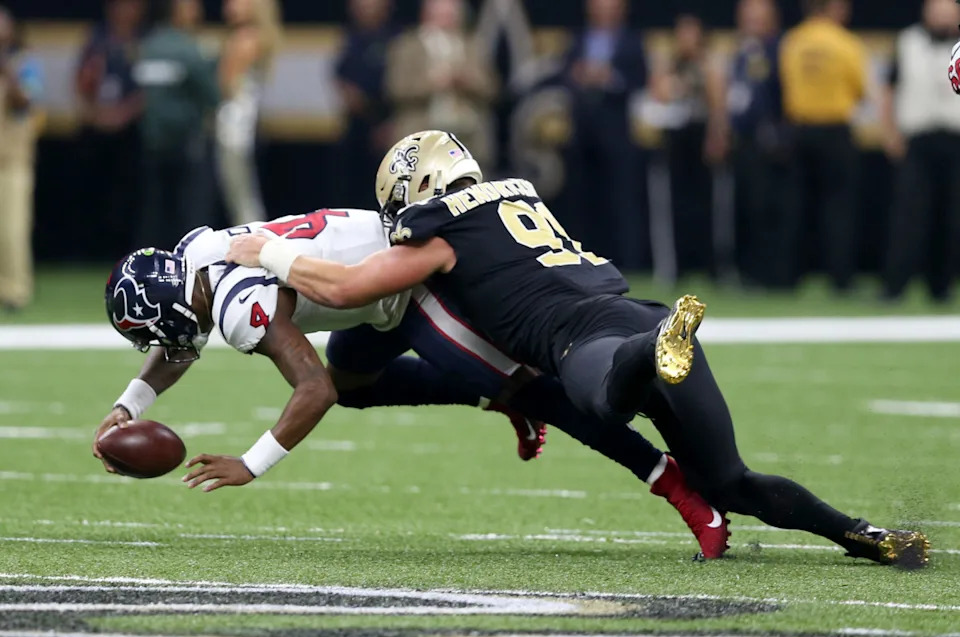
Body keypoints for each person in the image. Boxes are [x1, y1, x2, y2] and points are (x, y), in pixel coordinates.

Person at [227, 130, 929, 567]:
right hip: (632, 312)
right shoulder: (513, 194)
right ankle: (865, 535)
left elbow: (351, 288)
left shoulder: (441, 232)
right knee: (730, 483)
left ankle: (657, 348)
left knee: (599, 401)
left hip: (590, 339)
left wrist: (272, 254)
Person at [94, 208, 729, 561]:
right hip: (367, 299)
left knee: (539, 393)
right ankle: (496, 395)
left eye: (154, 332)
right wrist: (128, 405)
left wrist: (250, 465)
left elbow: (310, 391)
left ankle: (675, 485)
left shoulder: (234, 301)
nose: (161, 347)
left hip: (409, 288)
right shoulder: (196, 253)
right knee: (359, 383)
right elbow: (177, 349)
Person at [778, 0, 867, 291]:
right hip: (834, 131)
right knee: (838, 208)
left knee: (796, 206)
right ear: (834, 8)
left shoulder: (792, 41)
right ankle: (840, 278)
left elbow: (785, 83)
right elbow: (860, 88)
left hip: (800, 130)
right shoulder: (846, 43)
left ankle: (790, 276)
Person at [560, 0, 646, 268]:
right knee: (582, 198)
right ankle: (582, 258)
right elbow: (561, 76)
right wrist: (579, 75)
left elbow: (640, 80)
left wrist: (609, 77)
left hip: (617, 130)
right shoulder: (576, 39)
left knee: (620, 200)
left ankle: (626, 261)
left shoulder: (632, 41)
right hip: (581, 130)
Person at [884, 0, 960, 303]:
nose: (942, 18)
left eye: (948, 13)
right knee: (908, 217)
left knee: (953, 217)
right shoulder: (907, 42)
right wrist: (890, 132)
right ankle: (894, 286)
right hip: (917, 141)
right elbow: (888, 88)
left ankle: (941, 287)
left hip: (956, 140)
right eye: (937, 12)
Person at [134, 0, 219, 250]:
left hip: (151, 143)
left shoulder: (147, 46)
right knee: (191, 215)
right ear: (177, 11)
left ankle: (145, 268)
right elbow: (212, 96)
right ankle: (191, 267)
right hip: (186, 144)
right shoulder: (189, 49)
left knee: (153, 214)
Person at [650, 14, 727, 277]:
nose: (686, 39)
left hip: (700, 135)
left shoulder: (708, 63)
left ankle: (711, 265)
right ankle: (677, 266)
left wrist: (717, 137)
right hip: (676, 136)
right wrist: (669, 79)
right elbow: (657, 95)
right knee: (676, 204)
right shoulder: (671, 64)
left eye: (691, 33)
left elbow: (718, 105)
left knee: (706, 204)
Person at [386, 0, 498, 168]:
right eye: (441, 15)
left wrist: (466, 81)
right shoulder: (407, 46)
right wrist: (432, 84)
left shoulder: (473, 45)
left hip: (468, 135)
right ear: (426, 16)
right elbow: (395, 88)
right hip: (422, 132)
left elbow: (492, 89)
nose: (448, 20)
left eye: (452, 15)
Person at [74, 0, 146, 257]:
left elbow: (147, 91)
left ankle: (125, 251)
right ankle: (90, 251)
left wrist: (123, 114)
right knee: (92, 195)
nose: (125, 11)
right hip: (97, 128)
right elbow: (82, 81)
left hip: (130, 131)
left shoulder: (143, 42)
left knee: (128, 198)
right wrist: (97, 114)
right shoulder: (97, 40)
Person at [727, 0, 786, 288]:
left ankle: (769, 273)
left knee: (766, 208)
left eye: (757, 19)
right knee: (745, 207)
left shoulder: (778, 50)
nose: (751, 24)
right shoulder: (740, 51)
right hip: (744, 141)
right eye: (747, 18)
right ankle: (747, 271)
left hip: (769, 142)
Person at [216, 0, 283, 226]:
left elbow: (224, 85)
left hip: (234, 127)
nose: (228, 6)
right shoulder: (260, 37)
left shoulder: (243, 39)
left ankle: (253, 244)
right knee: (244, 193)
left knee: (240, 195)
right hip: (247, 123)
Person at [334, 0, 397, 209]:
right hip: (356, 127)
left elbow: (398, 88)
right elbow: (340, 75)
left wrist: (389, 123)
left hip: (388, 126)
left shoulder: (396, 39)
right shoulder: (351, 38)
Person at [0, 4, 42, 312]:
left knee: (12, 230)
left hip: (12, 161)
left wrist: (5, 68)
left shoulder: (25, 65)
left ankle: (14, 292)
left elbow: (24, 102)